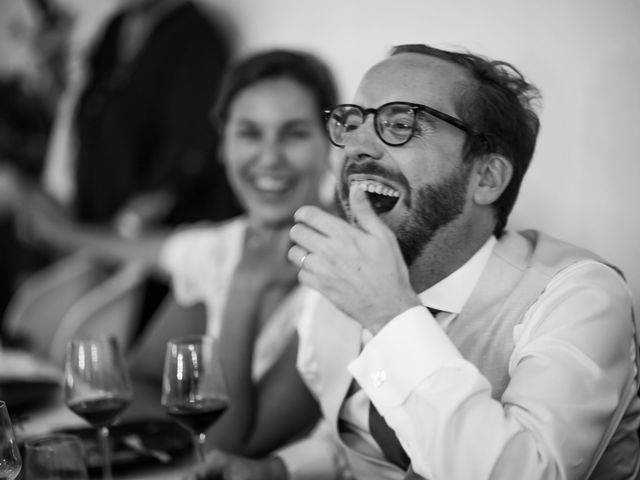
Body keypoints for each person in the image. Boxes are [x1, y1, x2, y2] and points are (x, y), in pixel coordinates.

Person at [189, 43, 640, 480]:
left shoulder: (579, 297)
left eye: (401, 124)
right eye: (352, 122)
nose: (357, 148)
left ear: (486, 177)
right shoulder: (340, 281)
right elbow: (362, 435)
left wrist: (390, 316)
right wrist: (278, 469)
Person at [12, 48, 338, 454]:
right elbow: (143, 382)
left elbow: (232, 448)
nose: (269, 158)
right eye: (249, 133)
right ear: (221, 145)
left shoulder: (341, 272)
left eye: (294, 134)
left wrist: (245, 288)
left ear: (331, 144)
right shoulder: (223, 245)